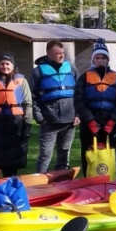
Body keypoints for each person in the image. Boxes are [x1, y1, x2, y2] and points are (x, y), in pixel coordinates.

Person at [75, 44, 116, 177]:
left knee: (111, 154)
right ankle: (90, 179)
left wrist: (112, 120)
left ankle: (111, 179)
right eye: (97, 58)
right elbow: (78, 101)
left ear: (108, 60)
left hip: (110, 124)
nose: (100, 60)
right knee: (89, 154)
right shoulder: (84, 77)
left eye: (103, 58)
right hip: (89, 125)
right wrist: (89, 121)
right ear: (93, 60)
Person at [32, 40, 79, 174]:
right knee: (45, 156)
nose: (61, 56)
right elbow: (33, 98)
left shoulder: (72, 69)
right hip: (49, 122)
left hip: (69, 122)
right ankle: (38, 186)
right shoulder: (38, 72)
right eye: (58, 53)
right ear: (48, 53)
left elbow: (80, 94)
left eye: (63, 53)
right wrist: (41, 119)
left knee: (64, 156)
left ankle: (62, 183)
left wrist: (78, 115)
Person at [0, 53, 32, 178]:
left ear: (13, 65)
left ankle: (12, 181)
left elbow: (28, 104)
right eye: (2, 64)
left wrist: (27, 124)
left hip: (16, 123)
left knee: (14, 159)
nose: (4, 66)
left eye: (7, 64)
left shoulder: (22, 81)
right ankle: (2, 182)